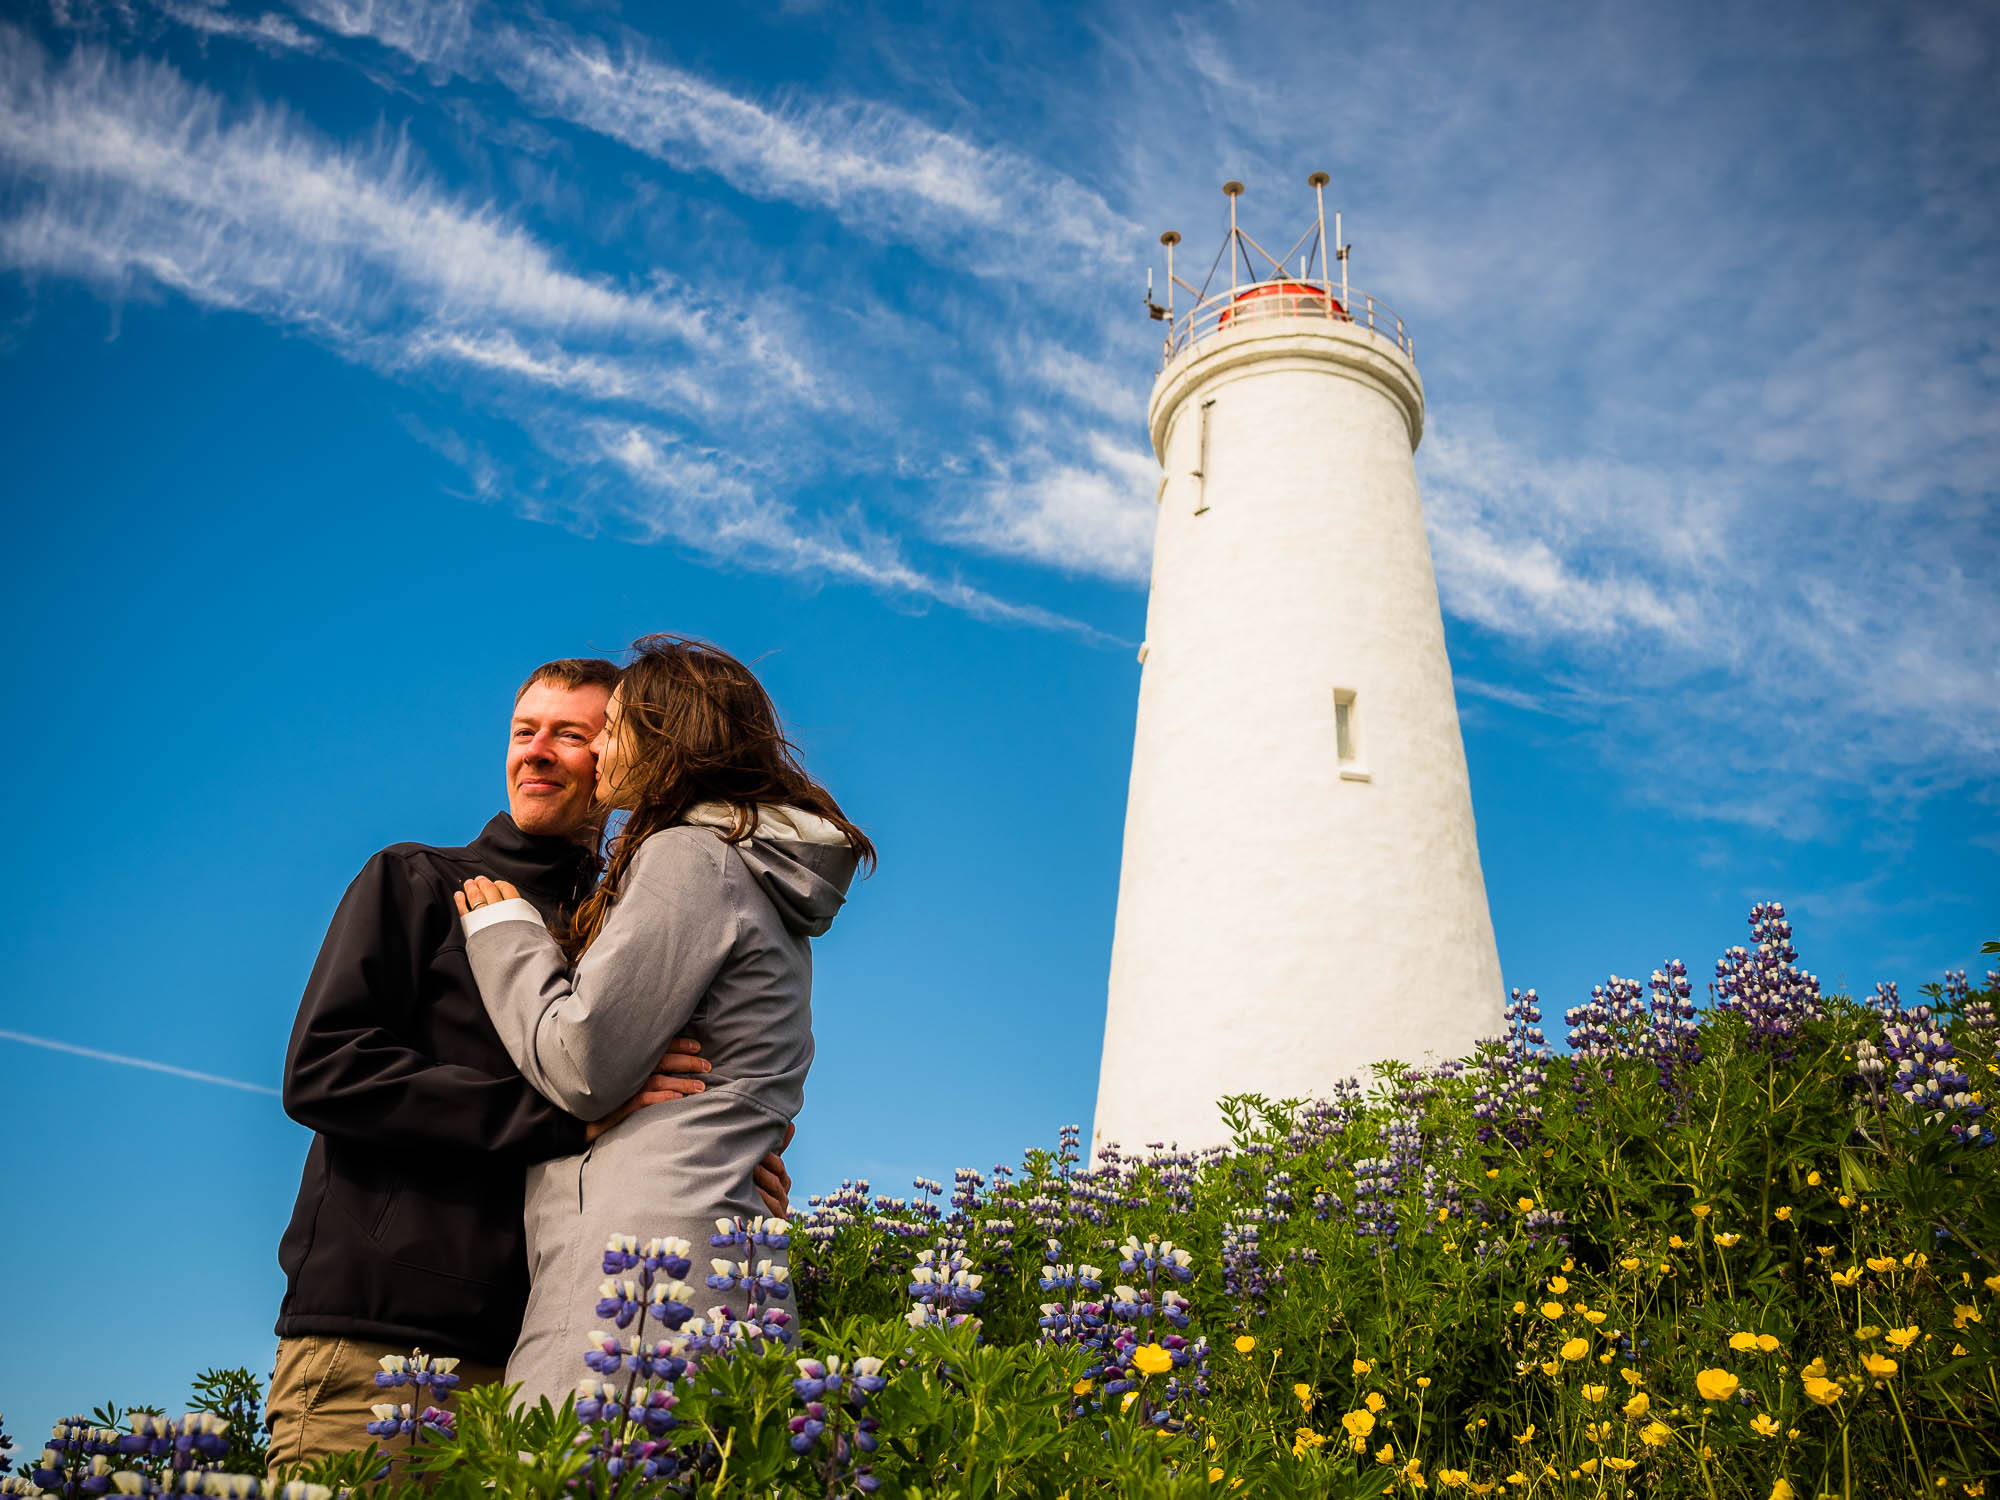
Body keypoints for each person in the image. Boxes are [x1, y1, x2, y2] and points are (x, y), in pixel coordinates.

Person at [267, 657, 794, 1469]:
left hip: (557, 1350)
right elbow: (324, 1070)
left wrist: (718, 1161)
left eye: (575, 735)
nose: (537, 752)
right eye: (524, 731)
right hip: (382, 1339)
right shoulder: (416, 879)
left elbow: (695, 1081)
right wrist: (564, 1118)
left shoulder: (636, 911)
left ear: (631, 751)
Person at [454, 634, 873, 1408]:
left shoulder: (693, 855)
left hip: (648, 1260)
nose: (599, 745)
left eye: (612, 725)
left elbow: (582, 1064)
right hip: (704, 1241)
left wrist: (507, 936)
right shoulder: (743, 863)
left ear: (665, 733)